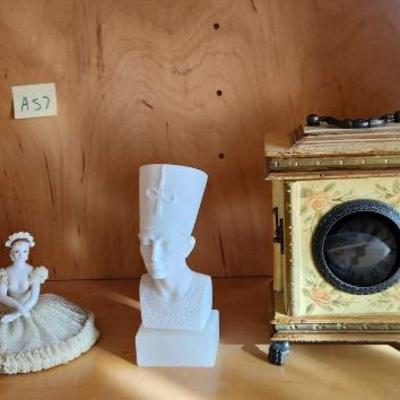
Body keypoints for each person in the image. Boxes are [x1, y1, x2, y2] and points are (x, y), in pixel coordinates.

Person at [0, 232, 99, 374]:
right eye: (17, 251)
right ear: (11, 253)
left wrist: (16, 315)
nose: (21, 255)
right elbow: (2, 296)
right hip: (11, 307)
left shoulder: (34, 272)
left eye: (24, 251)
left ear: (28, 253)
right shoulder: (4, 273)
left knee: (42, 333)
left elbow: (34, 298)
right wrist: (18, 308)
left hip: (31, 307)